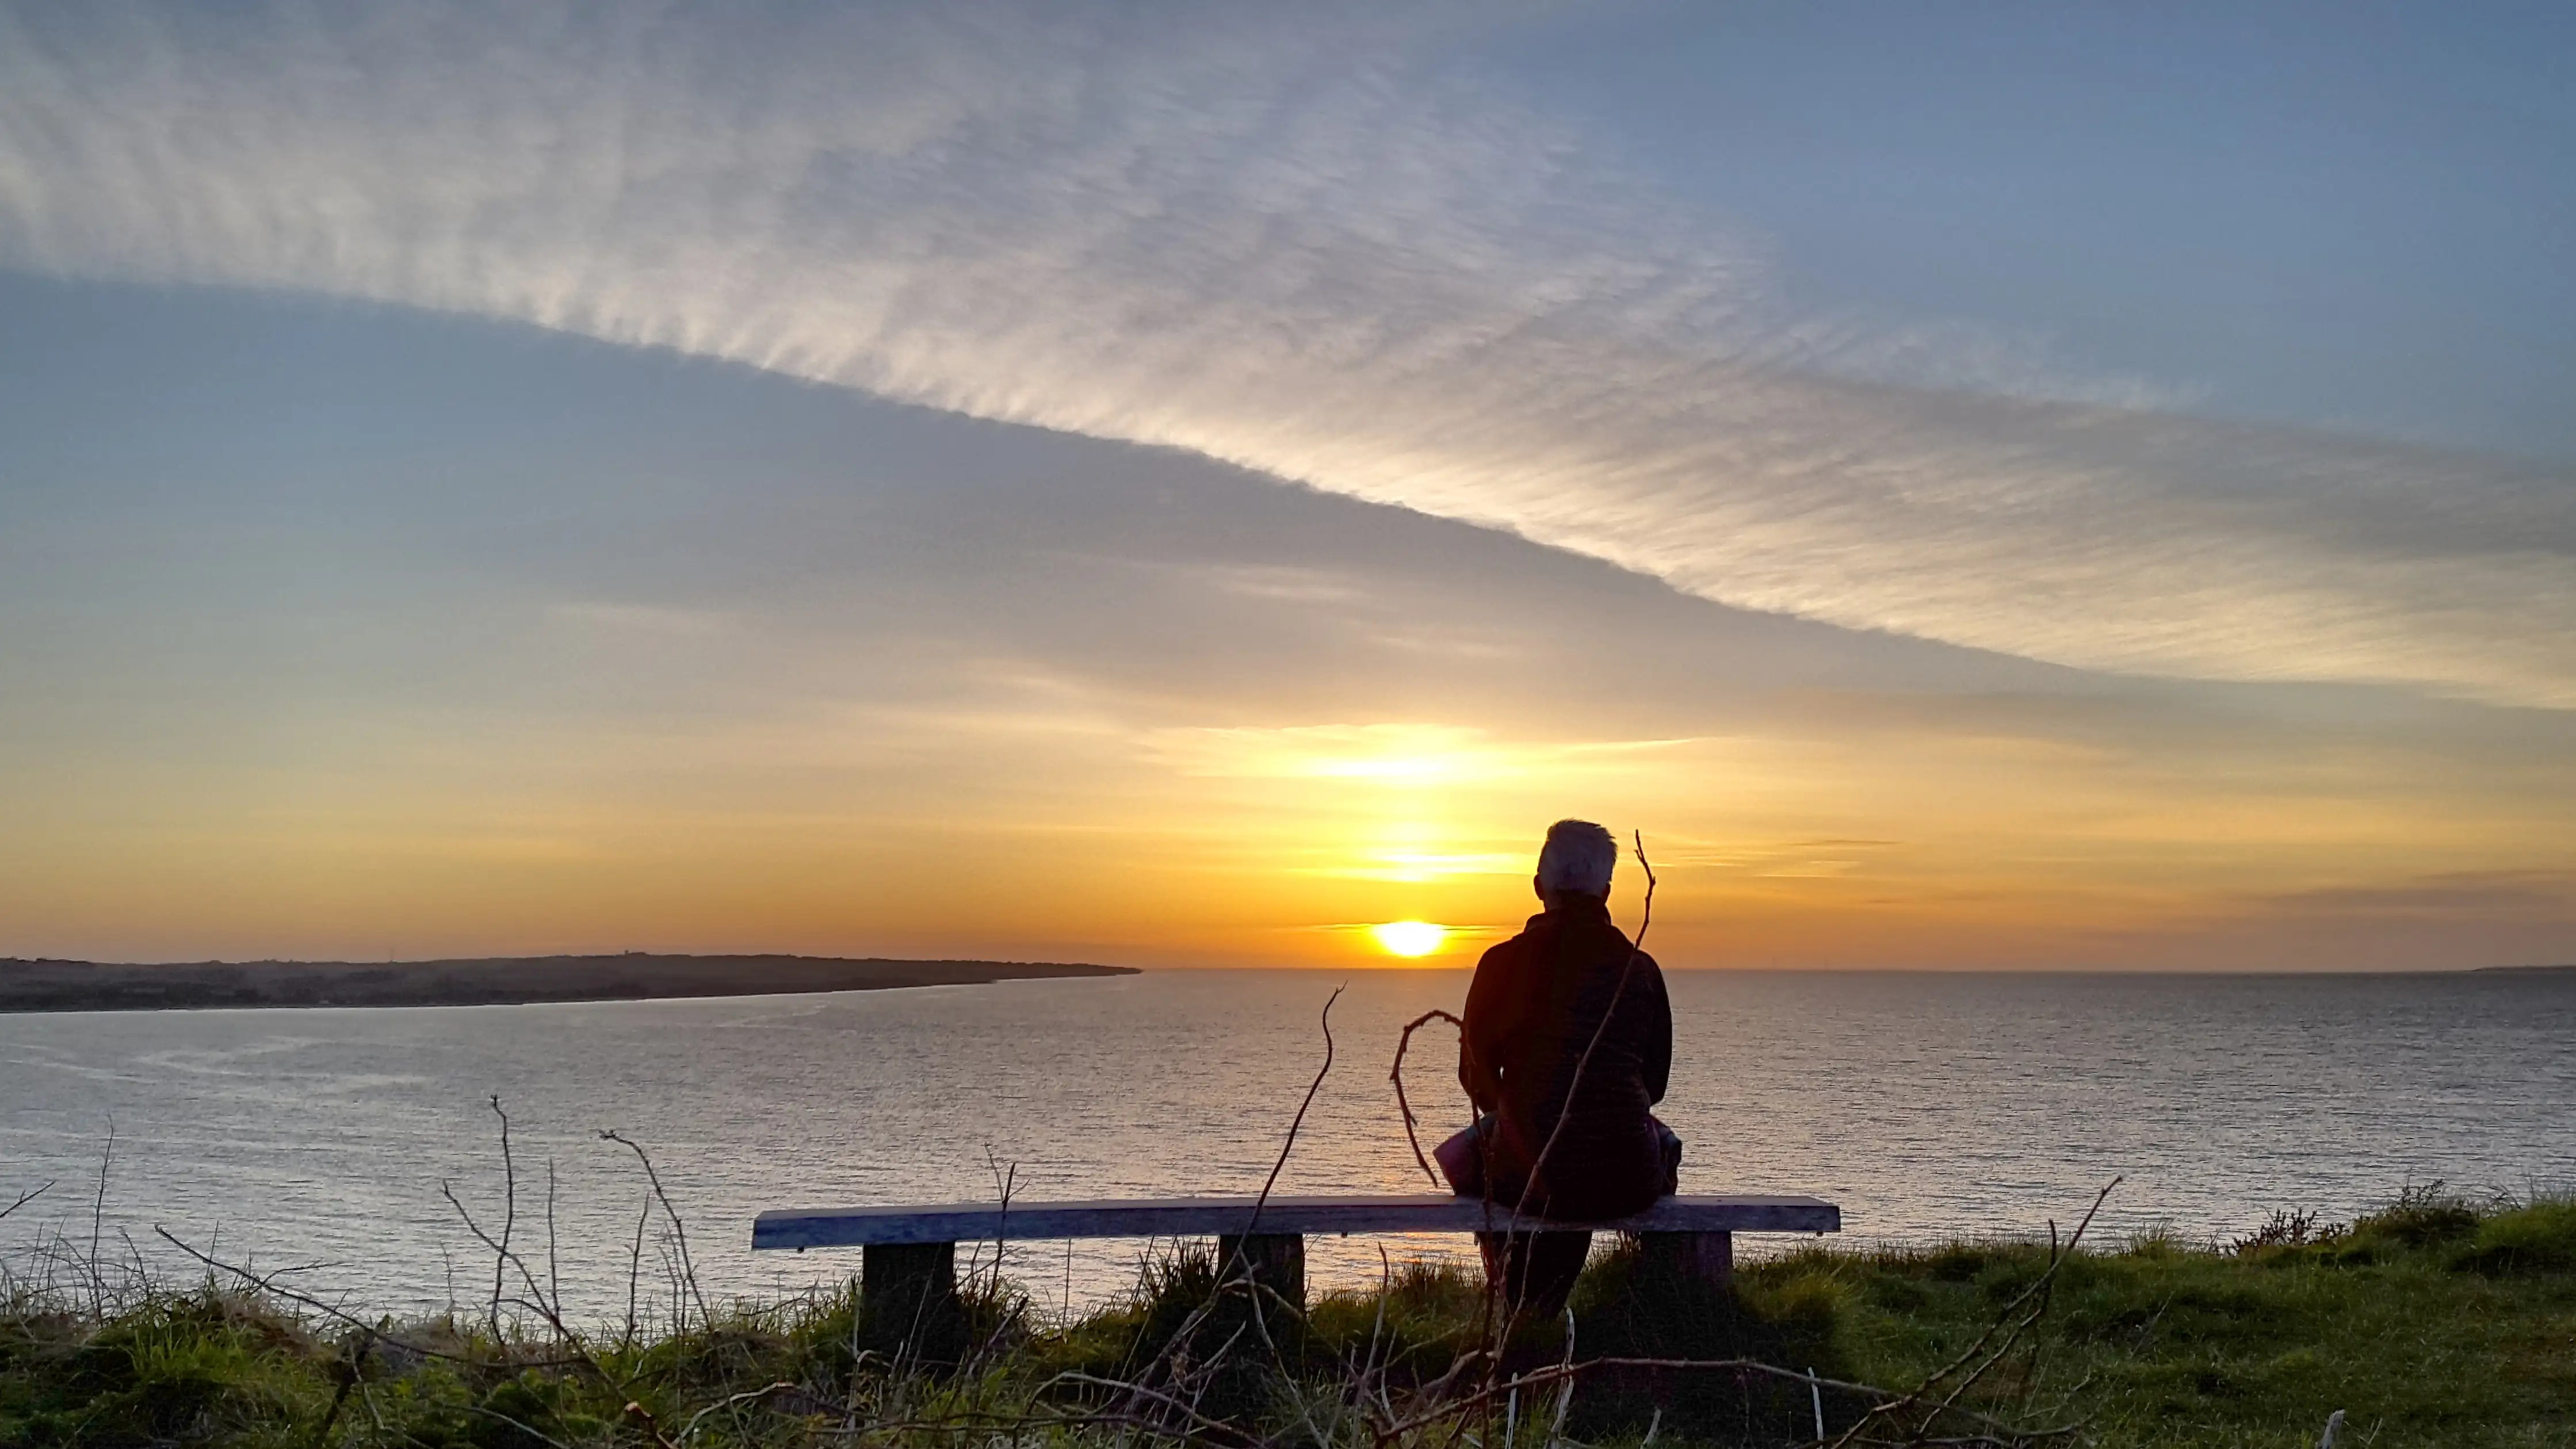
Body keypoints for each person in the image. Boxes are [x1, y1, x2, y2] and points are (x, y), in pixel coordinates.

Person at [1435, 819, 1679, 1317]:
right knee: (1660, 1141)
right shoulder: (1642, 970)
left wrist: (1526, 1106)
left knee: (1472, 1149)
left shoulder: (1501, 963)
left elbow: (1477, 1081)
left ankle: (1520, 1303)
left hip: (1527, 1178)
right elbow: (1654, 1084)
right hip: (1628, 1177)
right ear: (1607, 891)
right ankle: (1657, 1305)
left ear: (1539, 886)